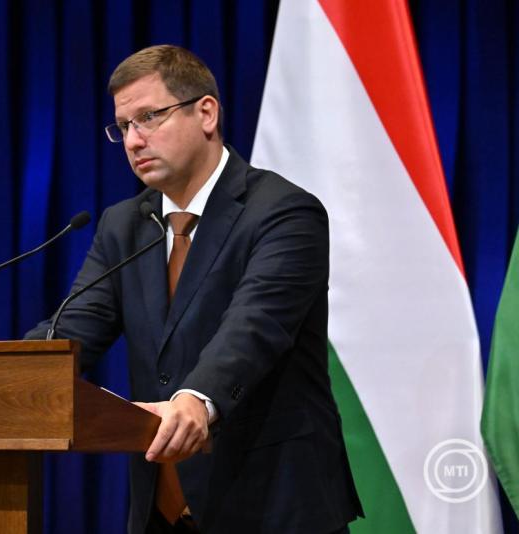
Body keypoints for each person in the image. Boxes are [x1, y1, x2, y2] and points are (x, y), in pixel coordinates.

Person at [26, 45, 363, 534]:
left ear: (206, 113)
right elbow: (74, 328)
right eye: (123, 127)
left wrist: (197, 399)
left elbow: (254, 327)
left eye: (149, 117)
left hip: (273, 506)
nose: (133, 141)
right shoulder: (124, 225)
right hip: (161, 512)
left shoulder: (284, 213)